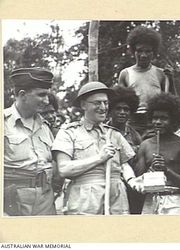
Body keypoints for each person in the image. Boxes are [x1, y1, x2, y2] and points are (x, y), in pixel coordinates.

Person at [52, 81, 143, 215]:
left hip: (117, 197)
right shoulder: (69, 132)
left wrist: (132, 180)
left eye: (105, 103)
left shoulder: (114, 134)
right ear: (83, 105)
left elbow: (124, 164)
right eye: (97, 103)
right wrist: (100, 158)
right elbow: (64, 169)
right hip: (86, 199)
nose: (103, 107)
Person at [4, 67, 56, 216]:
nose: (47, 101)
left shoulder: (45, 126)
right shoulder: (4, 122)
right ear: (23, 95)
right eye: (41, 95)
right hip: (13, 200)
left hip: (46, 200)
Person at [135, 93, 180, 214]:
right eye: (155, 118)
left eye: (164, 118)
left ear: (173, 120)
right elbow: (137, 182)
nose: (157, 122)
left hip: (176, 201)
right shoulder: (145, 145)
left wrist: (167, 171)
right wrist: (150, 171)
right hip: (150, 201)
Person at [118, 25, 175, 135]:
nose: (143, 55)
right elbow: (120, 103)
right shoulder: (125, 74)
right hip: (133, 122)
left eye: (148, 51)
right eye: (139, 51)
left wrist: (171, 79)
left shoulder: (161, 74)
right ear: (133, 51)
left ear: (153, 53)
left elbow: (170, 99)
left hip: (154, 121)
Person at [108, 86, 144, 214]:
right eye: (118, 108)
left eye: (126, 109)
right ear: (110, 110)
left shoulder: (135, 135)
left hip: (131, 184)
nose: (122, 112)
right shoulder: (103, 132)